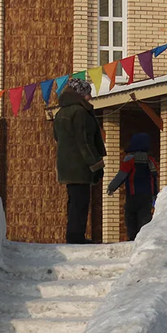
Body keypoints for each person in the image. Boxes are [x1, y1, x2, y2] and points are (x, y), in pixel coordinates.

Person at [53, 77, 107, 244]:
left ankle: (74, 234)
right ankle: (76, 237)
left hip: (66, 164)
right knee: (80, 202)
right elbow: (84, 140)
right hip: (80, 164)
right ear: (80, 95)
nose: (89, 97)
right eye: (87, 94)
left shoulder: (60, 113)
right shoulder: (80, 112)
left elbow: (57, 137)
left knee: (74, 200)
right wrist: (96, 165)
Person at [106, 132, 159, 241]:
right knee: (145, 217)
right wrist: (155, 194)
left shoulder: (129, 160)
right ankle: (143, 239)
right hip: (147, 196)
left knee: (131, 217)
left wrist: (112, 187)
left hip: (133, 195)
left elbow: (122, 175)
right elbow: (154, 178)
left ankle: (132, 239)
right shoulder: (151, 160)